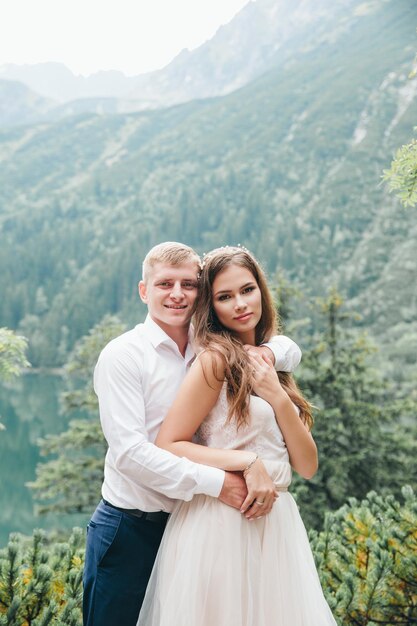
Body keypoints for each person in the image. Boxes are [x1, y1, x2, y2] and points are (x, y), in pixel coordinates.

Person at [83, 242, 302, 626]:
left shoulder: (209, 346)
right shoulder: (124, 356)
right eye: (165, 284)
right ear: (143, 290)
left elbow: (286, 347)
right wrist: (218, 483)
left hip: (197, 528)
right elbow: (131, 454)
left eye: (188, 284)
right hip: (133, 528)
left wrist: (272, 351)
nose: (177, 294)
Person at [138, 246, 336, 626]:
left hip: (277, 523)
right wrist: (247, 462)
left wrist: (277, 395)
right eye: (224, 297)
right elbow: (169, 442)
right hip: (222, 523)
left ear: (261, 289)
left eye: (247, 290)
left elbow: (308, 465)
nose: (240, 304)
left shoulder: (271, 362)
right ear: (211, 307)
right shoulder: (215, 360)